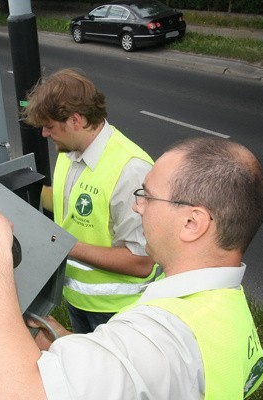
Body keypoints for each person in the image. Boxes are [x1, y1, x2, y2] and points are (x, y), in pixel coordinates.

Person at [0, 137, 263, 399]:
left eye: (147, 196)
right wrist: (71, 345)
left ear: (192, 223)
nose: (137, 206)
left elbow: (9, 393)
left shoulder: (159, 340)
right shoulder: (227, 307)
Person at [21, 68, 159, 332]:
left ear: (75, 120)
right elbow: (72, 209)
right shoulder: (69, 150)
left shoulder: (131, 170)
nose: (44, 135)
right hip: (78, 301)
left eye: (49, 127)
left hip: (119, 312)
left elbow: (142, 262)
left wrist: (64, 246)